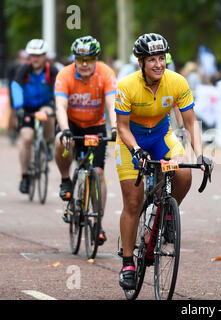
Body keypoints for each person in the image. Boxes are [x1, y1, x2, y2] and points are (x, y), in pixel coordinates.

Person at [114, 33, 212, 290]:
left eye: (162, 58)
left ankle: (166, 214)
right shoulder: (126, 85)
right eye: (152, 60)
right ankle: (127, 263)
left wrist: (199, 154)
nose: (158, 64)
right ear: (141, 63)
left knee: (183, 174)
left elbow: (190, 122)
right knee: (133, 203)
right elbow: (121, 127)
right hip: (131, 141)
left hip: (161, 136)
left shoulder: (177, 82)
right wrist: (135, 150)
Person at [53, 35, 117, 245]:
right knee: (62, 142)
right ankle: (65, 181)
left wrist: (114, 127)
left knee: (97, 172)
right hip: (71, 124)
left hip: (95, 126)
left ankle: (98, 223)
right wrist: (65, 131)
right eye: (80, 59)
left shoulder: (106, 73)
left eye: (89, 59)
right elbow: (60, 106)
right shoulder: (65, 74)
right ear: (75, 59)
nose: (84, 64)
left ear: (96, 59)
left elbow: (111, 103)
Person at [10, 39, 59, 194]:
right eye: (32, 55)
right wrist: (18, 107)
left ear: (44, 56)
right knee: (26, 138)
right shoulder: (23, 69)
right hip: (27, 108)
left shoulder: (52, 70)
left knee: (47, 114)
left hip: (46, 104)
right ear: (28, 56)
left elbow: (60, 88)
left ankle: (47, 142)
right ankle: (25, 176)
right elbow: (16, 87)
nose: (35, 58)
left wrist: (57, 105)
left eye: (39, 55)